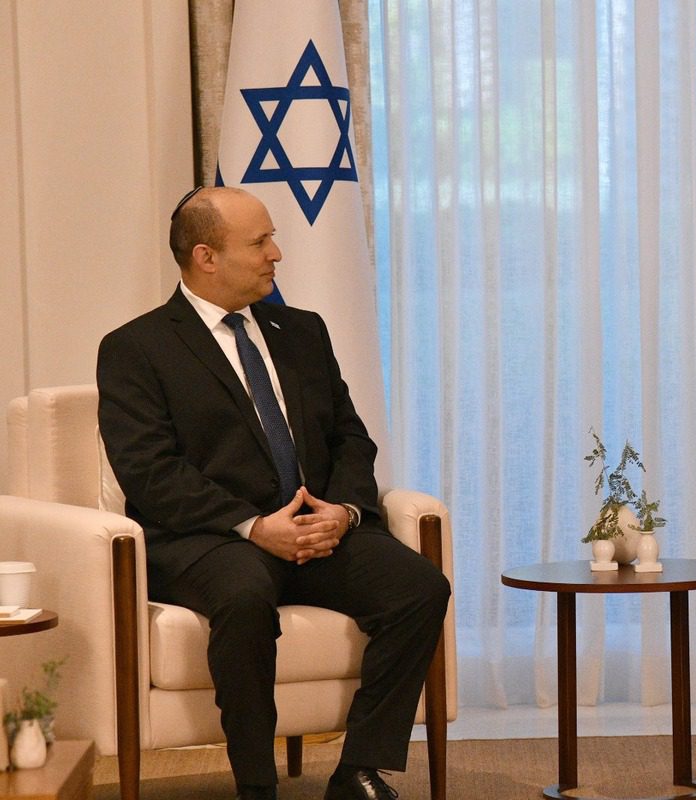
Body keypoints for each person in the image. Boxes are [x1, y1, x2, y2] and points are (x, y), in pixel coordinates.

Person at [97, 186, 451, 800]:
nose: (276, 254)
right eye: (260, 242)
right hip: (211, 541)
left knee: (419, 587)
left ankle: (360, 769)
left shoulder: (301, 330)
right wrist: (256, 527)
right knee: (243, 599)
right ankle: (257, 786)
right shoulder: (137, 348)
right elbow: (151, 472)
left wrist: (342, 512)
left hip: (319, 529)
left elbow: (350, 438)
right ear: (206, 256)